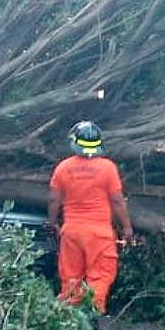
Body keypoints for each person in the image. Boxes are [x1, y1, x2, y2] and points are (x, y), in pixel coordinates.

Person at [47, 121, 134, 315]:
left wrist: (52, 223)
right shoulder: (108, 168)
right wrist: (127, 229)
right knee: (101, 277)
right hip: (99, 233)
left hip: (71, 232)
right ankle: (92, 317)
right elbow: (118, 201)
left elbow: (54, 199)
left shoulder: (63, 168)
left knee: (70, 278)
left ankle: (69, 321)